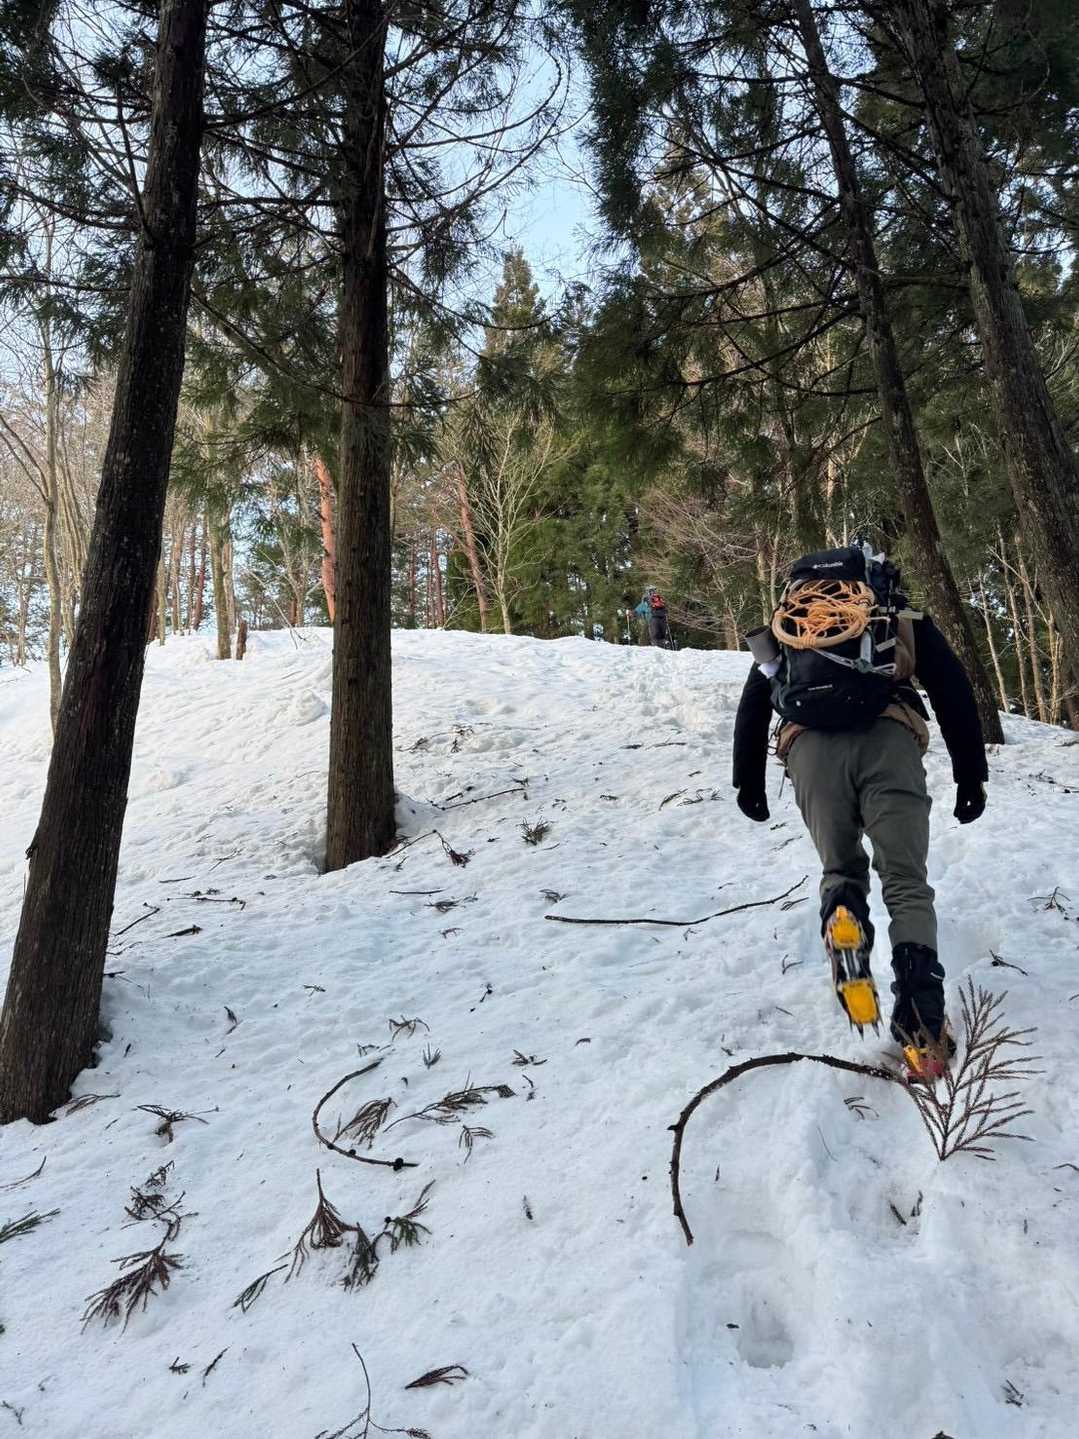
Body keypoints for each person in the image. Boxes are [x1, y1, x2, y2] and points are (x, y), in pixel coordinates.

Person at [732, 543, 988, 1077]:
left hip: (809, 752)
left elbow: (755, 702)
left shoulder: (793, 627)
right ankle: (922, 1032)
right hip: (888, 742)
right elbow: (953, 692)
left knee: (841, 868)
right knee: (906, 882)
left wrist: (748, 783)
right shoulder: (899, 618)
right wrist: (971, 774)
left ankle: (844, 917)